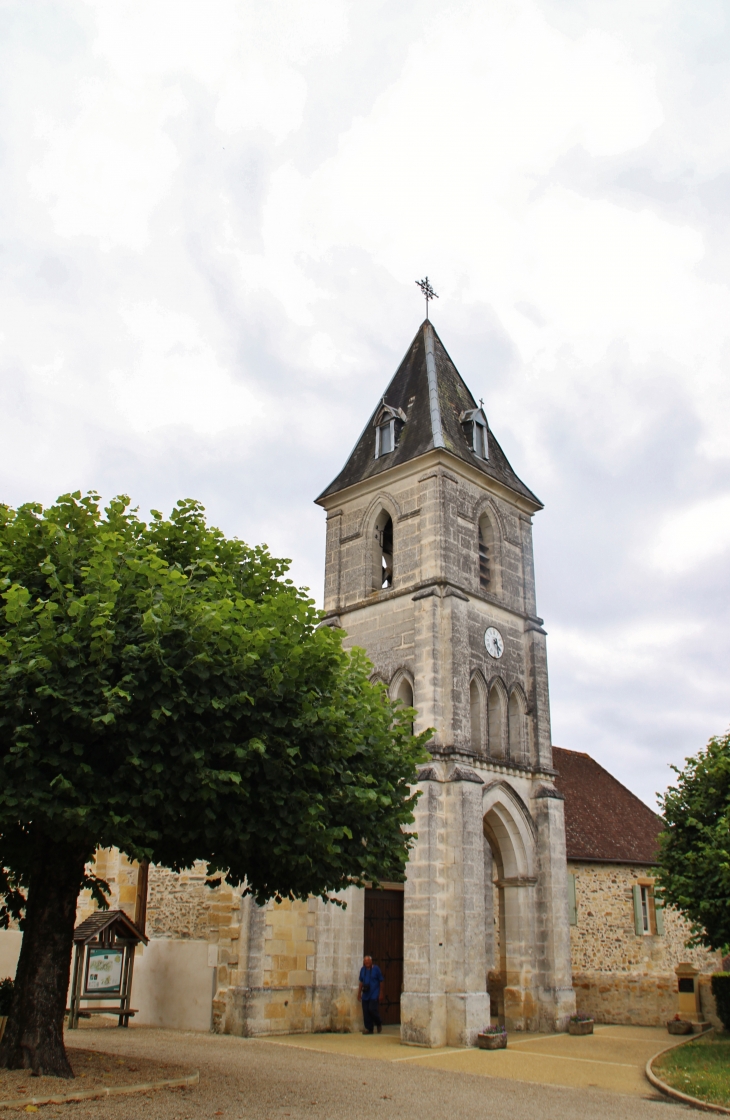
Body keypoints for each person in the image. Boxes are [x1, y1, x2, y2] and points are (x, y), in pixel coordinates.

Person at [357, 954, 384, 1034]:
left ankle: (378, 1022)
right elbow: (361, 982)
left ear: (371, 961)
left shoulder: (376, 969)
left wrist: (381, 993)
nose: (367, 962)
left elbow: (381, 981)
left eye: (368, 961)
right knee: (366, 1011)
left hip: (374, 993)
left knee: (372, 1009)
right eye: (365, 961)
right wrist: (359, 993)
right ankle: (369, 1029)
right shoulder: (363, 970)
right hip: (365, 993)